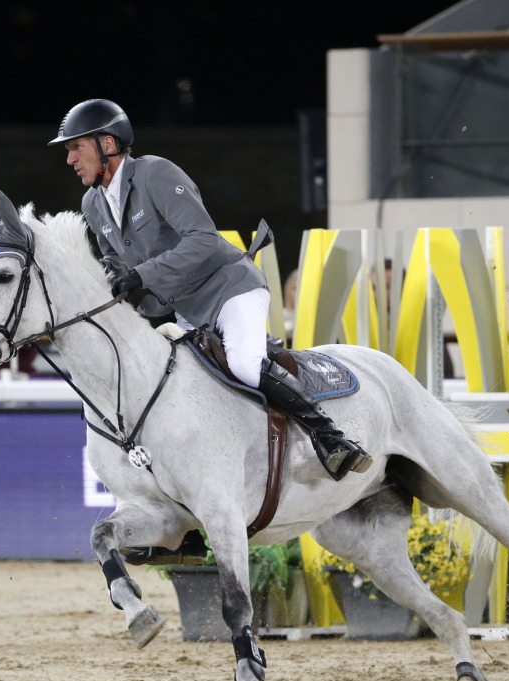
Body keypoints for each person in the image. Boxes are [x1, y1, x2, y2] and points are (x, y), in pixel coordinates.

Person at [49, 99, 371, 480]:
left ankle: (331, 436)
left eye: (76, 147)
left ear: (107, 144)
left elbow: (202, 238)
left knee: (244, 365)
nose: (70, 159)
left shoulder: (155, 173)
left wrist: (142, 275)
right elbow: (115, 267)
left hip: (229, 289)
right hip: (186, 309)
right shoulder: (93, 203)